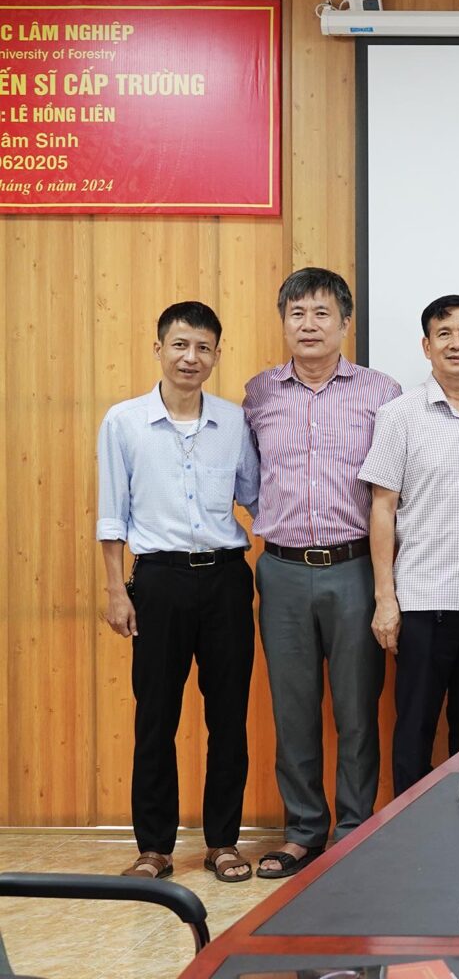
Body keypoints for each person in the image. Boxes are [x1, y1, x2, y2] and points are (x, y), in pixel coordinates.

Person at [243, 268, 402, 877]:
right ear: (283, 321)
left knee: (358, 709)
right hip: (282, 570)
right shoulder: (260, 392)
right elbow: (250, 477)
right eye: (297, 313)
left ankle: (354, 829)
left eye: (321, 313)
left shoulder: (381, 391)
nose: (308, 325)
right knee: (293, 709)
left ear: (345, 323)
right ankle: (304, 830)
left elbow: (394, 486)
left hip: (354, 566)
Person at [97, 301, 260, 882]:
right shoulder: (123, 422)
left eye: (203, 348)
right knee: (156, 716)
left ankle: (223, 843)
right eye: (181, 345)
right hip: (159, 582)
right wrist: (117, 591)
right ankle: (154, 848)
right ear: (159, 349)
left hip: (226, 580)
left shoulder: (235, 422)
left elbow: (255, 497)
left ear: (216, 355)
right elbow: (112, 515)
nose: (191, 357)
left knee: (229, 717)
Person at [360, 295, 459, 796]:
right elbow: (382, 509)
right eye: (444, 334)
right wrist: (385, 598)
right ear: (427, 346)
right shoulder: (398, 415)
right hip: (424, 603)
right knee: (414, 730)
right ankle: (410, 830)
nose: (456, 343)